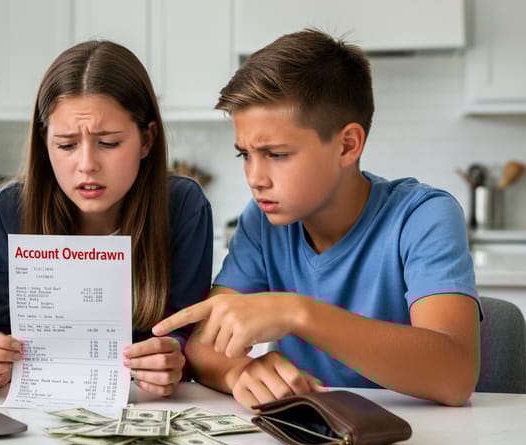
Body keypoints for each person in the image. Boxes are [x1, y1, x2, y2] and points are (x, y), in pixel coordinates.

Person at [154, 29, 480, 410]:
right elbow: (203, 346)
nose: (255, 178)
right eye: (244, 154)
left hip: (422, 442)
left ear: (347, 145)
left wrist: (296, 313)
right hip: (312, 437)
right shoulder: (262, 223)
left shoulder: (423, 216)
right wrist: (238, 372)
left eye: (276, 154)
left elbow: (455, 375)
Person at [0, 40, 213, 397]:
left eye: (108, 143)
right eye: (65, 145)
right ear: (44, 142)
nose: (86, 165)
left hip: (148, 405)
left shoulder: (183, 206)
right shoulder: (9, 211)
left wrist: (175, 356)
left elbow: (185, 330)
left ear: (147, 140)